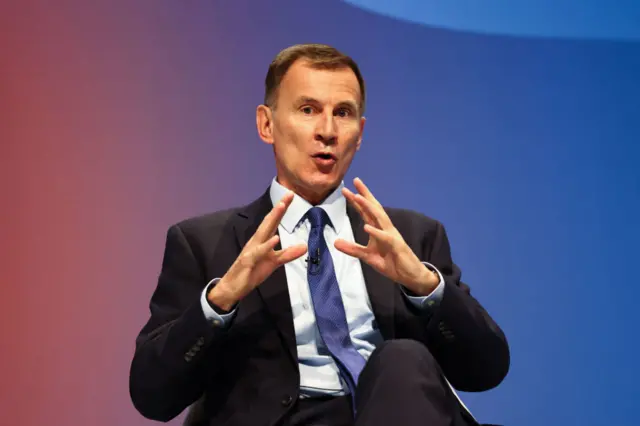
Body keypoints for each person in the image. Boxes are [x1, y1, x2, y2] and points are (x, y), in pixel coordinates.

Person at [129, 43, 509, 426]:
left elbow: (485, 370)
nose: (327, 131)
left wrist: (425, 288)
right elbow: (152, 396)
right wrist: (220, 302)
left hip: (398, 411)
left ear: (359, 134)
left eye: (342, 113)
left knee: (401, 358)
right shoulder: (205, 243)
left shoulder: (409, 236)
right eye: (307, 110)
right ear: (267, 124)